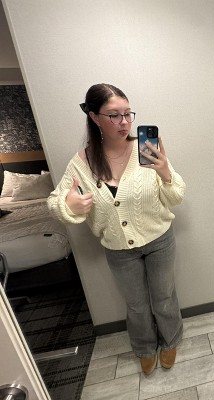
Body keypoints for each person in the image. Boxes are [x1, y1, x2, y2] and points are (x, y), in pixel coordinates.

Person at [47, 83, 186, 376]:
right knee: (136, 305)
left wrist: (165, 173)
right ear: (94, 117)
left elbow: (176, 196)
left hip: (160, 240)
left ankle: (171, 339)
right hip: (118, 248)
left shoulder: (146, 149)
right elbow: (56, 202)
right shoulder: (82, 163)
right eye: (114, 115)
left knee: (164, 297)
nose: (124, 122)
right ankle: (145, 347)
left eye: (128, 114)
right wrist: (70, 205)